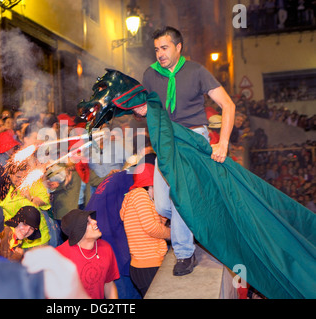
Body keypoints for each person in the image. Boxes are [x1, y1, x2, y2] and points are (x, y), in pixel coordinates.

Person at [135, 26, 235, 276]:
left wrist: (222, 143)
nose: (160, 53)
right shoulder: (150, 74)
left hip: (192, 138)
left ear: (179, 47)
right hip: (164, 140)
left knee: (180, 196)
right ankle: (194, 219)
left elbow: (228, 105)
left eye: (165, 48)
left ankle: (184, 254)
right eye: (157, 49)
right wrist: (142, 111)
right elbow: (149, 108)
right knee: (161, 205)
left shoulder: (196, 71)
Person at [120, 159, 170, 297]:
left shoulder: (140, 198)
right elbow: (151, 227)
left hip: (143, 265)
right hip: (148, 265)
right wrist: (171, 234)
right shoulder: (140, 195)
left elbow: (158, 222)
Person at [56, 209, 120, 299]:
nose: (95, 221)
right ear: (78, 232)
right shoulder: (60, 256)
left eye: (92, 219)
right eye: (88, 222)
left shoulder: (105, 248)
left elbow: (108, 283)